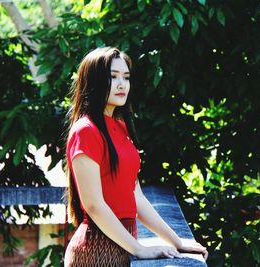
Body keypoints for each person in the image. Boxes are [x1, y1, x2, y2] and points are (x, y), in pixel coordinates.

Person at [64, 47, 208, 266]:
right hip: (94, 253)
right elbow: (93, 204)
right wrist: (139, 249)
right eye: (113, 77)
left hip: (122, 248)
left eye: (126, 77)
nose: (122, 84)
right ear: (94, 81)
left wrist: (176, 242)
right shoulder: (86, 131)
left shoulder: (120, 127)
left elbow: (136, 198)